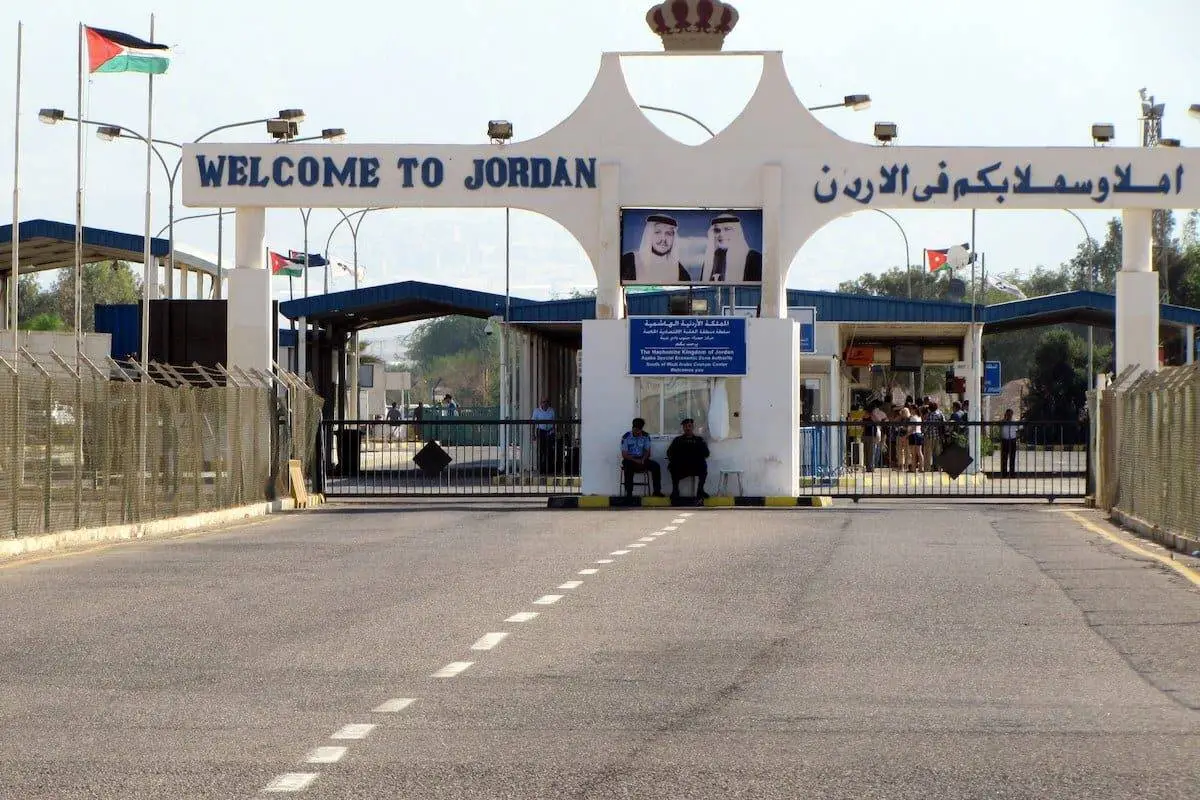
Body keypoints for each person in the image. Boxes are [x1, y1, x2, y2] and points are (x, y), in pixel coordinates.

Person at [620, 214, 690, 283]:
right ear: (649, 234)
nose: (663, 239)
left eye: (668, 233)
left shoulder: (681, 272)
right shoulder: (629, 261)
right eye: (657, 232)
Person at [700, 213, 762, 282]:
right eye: (717, 230)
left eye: (727, 229)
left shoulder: (755, 259)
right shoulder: (711, 260)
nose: (721, 234)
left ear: (737, 232)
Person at [666, 418, 710, 501]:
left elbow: (706, 454)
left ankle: (700, 490)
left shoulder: (699, 440)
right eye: (685, 426)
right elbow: (669, 453)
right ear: (683, 428)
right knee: (673, 466)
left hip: (695, 466)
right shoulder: (678, 440)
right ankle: (675, 491)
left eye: (689, 426)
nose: (687, 428)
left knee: (703, 466)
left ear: (693, 427)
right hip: (682, 467)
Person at [619, 417, 663, 497]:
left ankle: (657, 492)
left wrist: (643, 459)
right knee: (628, 466)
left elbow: (647, 452)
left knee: (656, 466)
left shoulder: (645, 436)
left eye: (639, 431)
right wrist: (636, 460)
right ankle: (629, 493)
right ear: (633, 428)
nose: (637, 433)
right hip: (630, 460)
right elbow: (624, 454)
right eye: (636, 431)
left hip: (642, 459)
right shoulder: (626, 437)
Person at [532, 398, 556, 474]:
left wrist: (554, 432)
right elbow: (533, 423)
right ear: (541, 403)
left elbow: (554, 422)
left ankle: (550, 469)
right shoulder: (536, 411)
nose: (545, 404)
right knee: (541, 450)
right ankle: (541, 469)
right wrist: (533, 434)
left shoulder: (551, 410)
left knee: (550, 451)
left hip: (550, 431)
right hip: (541, 431)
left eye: (546, 402)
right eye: (543, 402)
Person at [999, 408, 1020, 478]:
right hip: (1005, 440)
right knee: (1004, 458)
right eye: (1008, 414)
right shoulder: (1003, 422)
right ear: (1006, 414)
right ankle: (1004, 473)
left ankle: (1012, 473)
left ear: (1012, 414)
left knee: (1012, 458)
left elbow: (1019, 427)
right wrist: (1004, 419)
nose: (1009, 416)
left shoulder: (1014, 421)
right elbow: (999, 424)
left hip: (1012, 440)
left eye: (1010, 414)